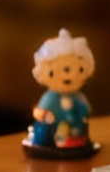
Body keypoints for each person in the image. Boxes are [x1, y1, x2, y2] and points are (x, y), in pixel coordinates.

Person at [27, 28, 97, 158]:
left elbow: (85, 109)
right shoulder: (50, 98)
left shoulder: (78, 97)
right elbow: (42, 111)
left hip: (74, 131)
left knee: (77, 130)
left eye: (79, 70)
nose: (68, 75)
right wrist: (44, 115)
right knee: (43, 130)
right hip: (52, 131)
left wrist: (83, 113)